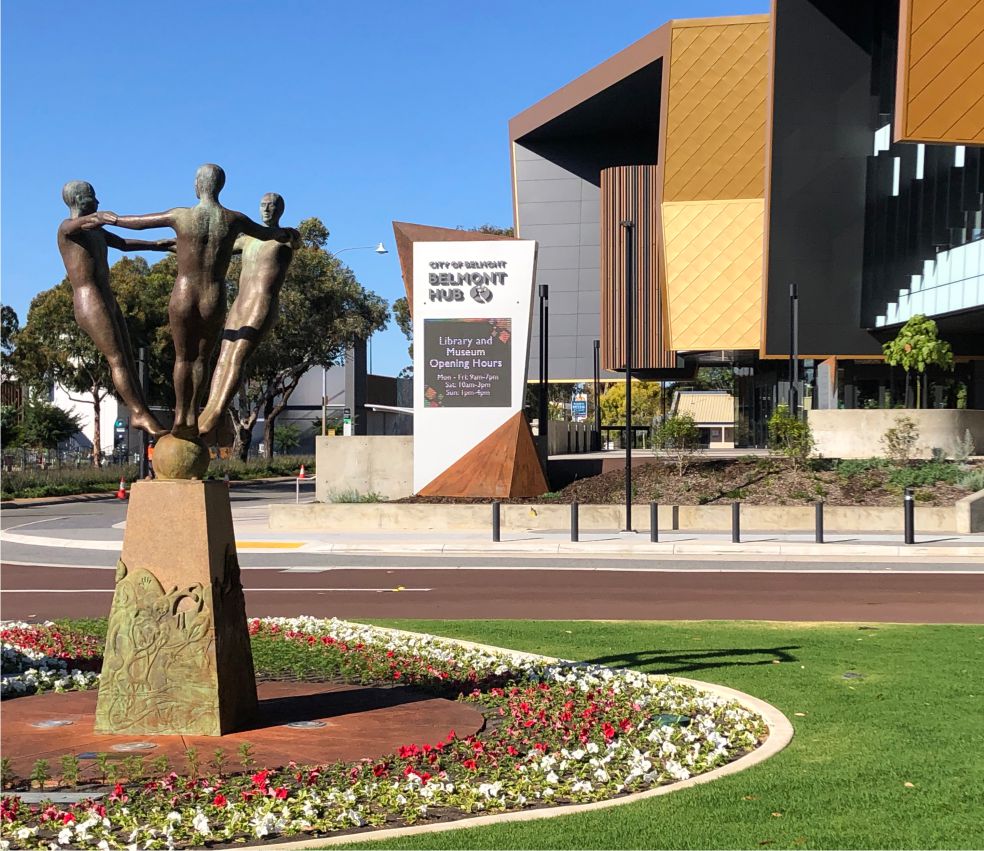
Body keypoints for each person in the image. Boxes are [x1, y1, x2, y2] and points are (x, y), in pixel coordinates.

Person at [104, 164, 297, 439]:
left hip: (184, 293)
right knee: (203, 360)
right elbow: (266, 235)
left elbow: (141, 222)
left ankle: (184, 415)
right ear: (221, 186)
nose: (267, 208)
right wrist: (288, 234)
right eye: (264, 204)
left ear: (197, 185)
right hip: (213, 296)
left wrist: (110, 219)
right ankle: (191, 416)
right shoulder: (235, 220)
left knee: (185, 357)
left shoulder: (180, 215)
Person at [57, 181, 174, 437]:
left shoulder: (97, 232)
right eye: (92, 197)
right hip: (89, 300)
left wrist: (157, 245)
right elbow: (82, 223)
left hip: (107, 298)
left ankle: (142, 410)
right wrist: (103, 217)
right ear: (77, 200)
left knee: (128, 359)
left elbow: (123, 243)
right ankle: (139, 413)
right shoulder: (67, 229)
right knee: (117, 359)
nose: (97, 201)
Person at [197, 193, 300, 435]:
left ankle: (216, 412)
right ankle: (208, 411)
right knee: (223, 356)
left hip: (262, 302)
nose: (266, 209)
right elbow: (212, 248)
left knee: (237, 355)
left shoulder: (285, 236)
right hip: (239, 303)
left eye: (272, 205)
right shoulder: (247, 240)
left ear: (280, 210)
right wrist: (179, 242)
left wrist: (287, 235)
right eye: (263, 205)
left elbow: (296, 241)